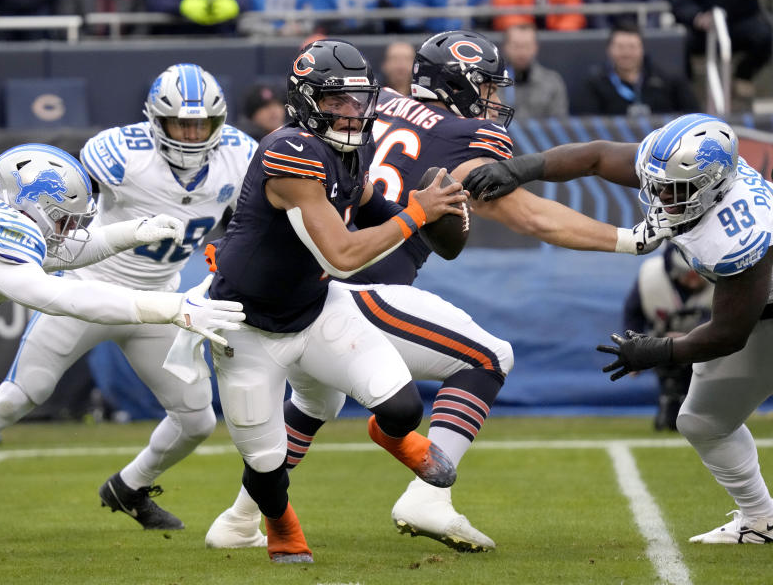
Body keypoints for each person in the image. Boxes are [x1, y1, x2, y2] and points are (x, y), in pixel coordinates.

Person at [204, 31, 672, 554]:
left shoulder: (370, 110)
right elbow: (528, 215)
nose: (496, 102)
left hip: (306, 288)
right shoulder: (463, 133)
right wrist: (629, 239)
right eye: (488, 88)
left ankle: (240, 519)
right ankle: (429, 497)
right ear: (462, 86)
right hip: (356, 287)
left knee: (317, 401)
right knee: (488, 356)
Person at [0, 64, 257, 544]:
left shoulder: (240, 155)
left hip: (160, 298)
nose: (193, 136)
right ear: (156, 120)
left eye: (203, 125)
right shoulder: (124, 154)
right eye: (182, 124)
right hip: (89, 288)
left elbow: (253, 220)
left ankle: (129, 488)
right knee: (18, 396)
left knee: (197, 420)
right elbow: (33, 179)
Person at [195, 38, 467, 563]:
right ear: (304, 102)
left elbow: (367, 203)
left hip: (314, 308)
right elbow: (341, 255)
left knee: (404, 405)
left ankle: (390, 436)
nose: (350, 113)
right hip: (246, 326)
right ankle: (279, 525)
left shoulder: (352, 148)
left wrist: (430, 223)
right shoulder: (289, 151)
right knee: (268, 463)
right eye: (335, 101)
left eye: (358, 100)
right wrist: (417, 213)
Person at [461, 112, 773, 544]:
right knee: (703, 421)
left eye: (672, 189)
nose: (660, 195)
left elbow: (728, 334)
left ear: (713, 185)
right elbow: (596, 157)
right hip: (758, 316)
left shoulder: (740, 234)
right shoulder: (691, 177)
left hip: (756, 315)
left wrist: (658, 350)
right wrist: (518, 169)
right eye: (657, 183)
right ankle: (761, 522)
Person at [623, 243, 712, 431]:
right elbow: (633, 314)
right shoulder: (651, 276)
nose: (696, 280)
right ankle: (670, 406)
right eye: (691, 275)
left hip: (711, 343)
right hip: (664, 343)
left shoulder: (724, 273)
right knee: (661, 355)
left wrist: (692, 335)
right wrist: (633, 348)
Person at [666, 0, 773, 101]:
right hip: (701, 26)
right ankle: (686, 90)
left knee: (765, 36)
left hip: (741, 21)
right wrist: (696, 16)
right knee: (678, 42)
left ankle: (743, 75)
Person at [580, 22, 699, 116]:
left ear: (642, 49)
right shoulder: (594, 84)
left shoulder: (668, 80)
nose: (626, 53)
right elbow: (587, 124)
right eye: (620, 47)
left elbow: (694, 115)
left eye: (632, 47)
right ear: (609, 50)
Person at [501, 23, 569, 118]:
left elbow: (559, 123)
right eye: (516, 46)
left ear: (535, 47)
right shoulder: (493, 83)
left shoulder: (552, 82)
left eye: (526, 46)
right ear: (505, 47)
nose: (522, 52)